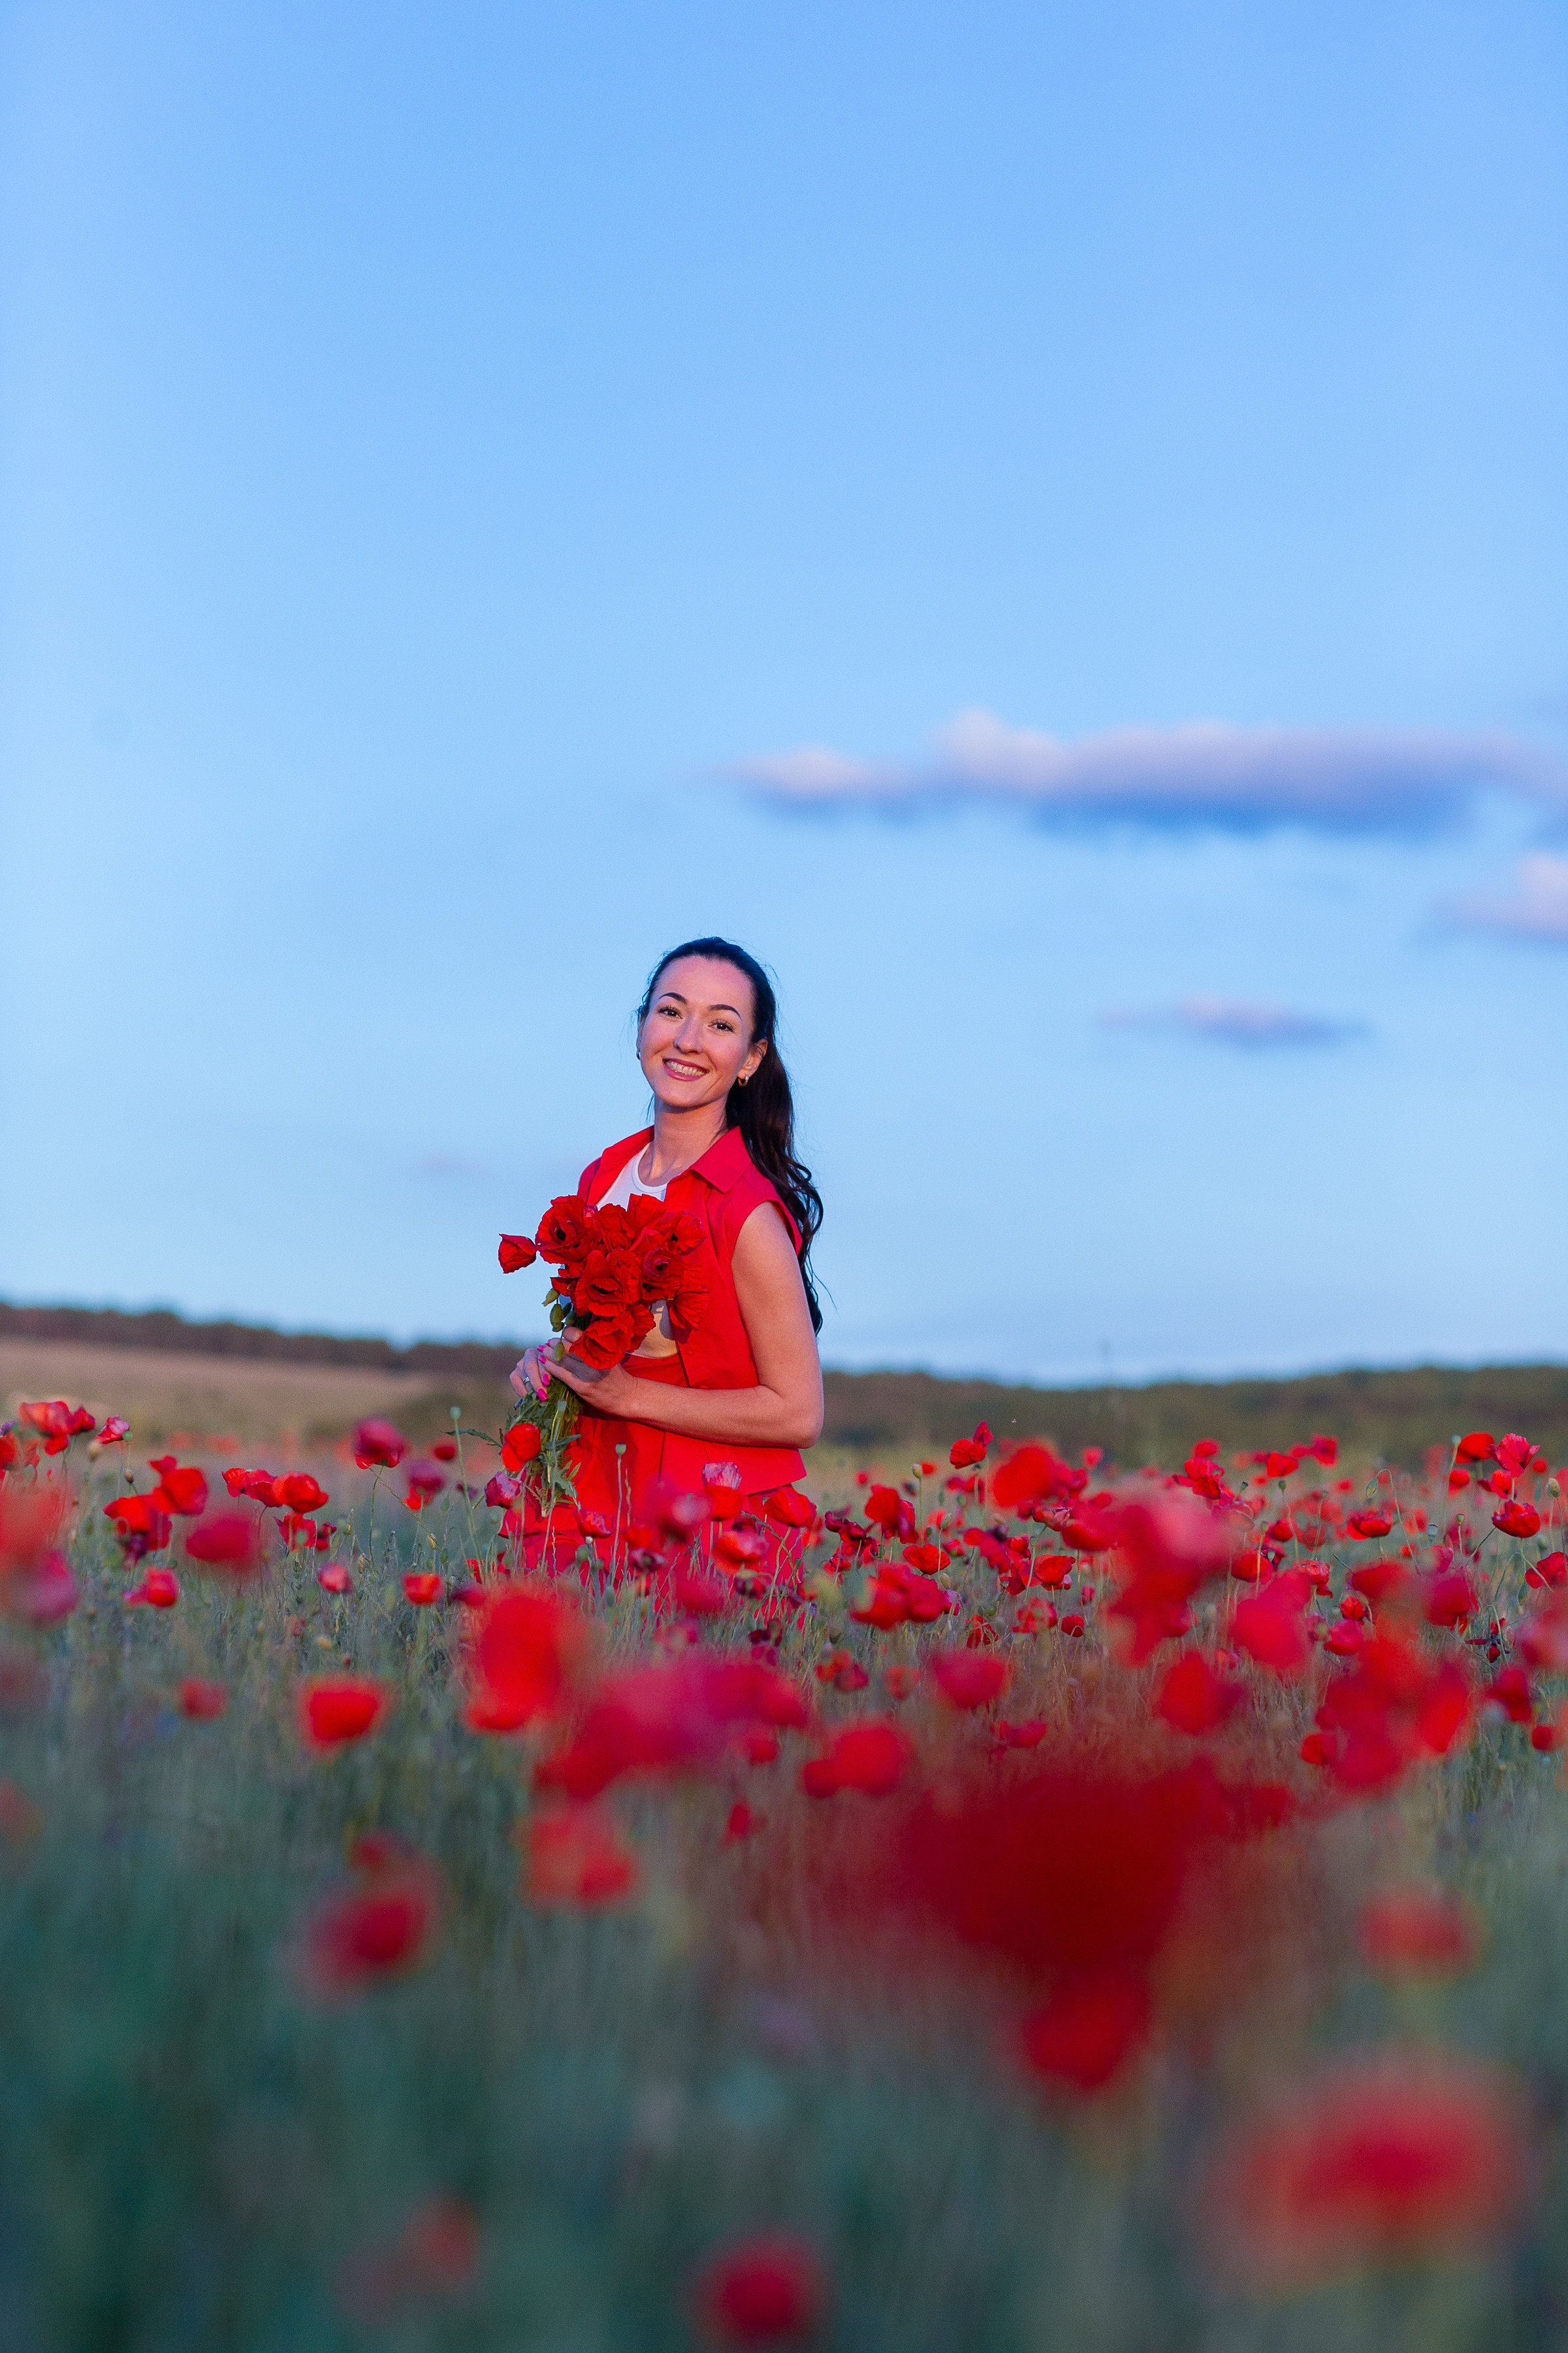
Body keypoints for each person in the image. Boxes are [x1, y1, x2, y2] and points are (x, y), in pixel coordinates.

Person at [511, 937, 824, 1542]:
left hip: (700, 1523)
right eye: (672, 1011)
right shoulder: (602, 1176)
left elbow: (797, 1413)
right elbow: (602, 1348)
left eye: (720, 1024)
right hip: (586, 1493)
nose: (686, 1041)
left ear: (751, 1058)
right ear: (640, 1028)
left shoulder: (746, 1211)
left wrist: (627, 1397)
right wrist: (549, 1367)